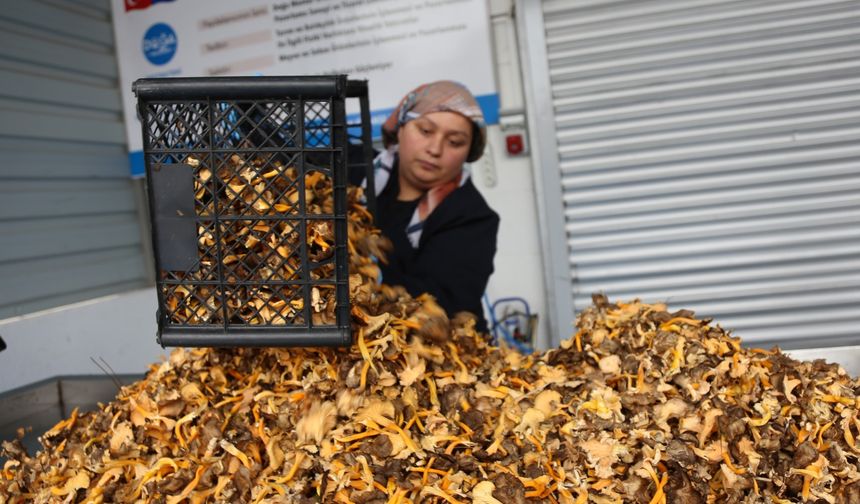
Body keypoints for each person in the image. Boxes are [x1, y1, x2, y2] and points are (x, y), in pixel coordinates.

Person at [351, 81, 499, 333]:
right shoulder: (354, 172)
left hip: (436, 352)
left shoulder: (471, 216)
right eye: (426, 131)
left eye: (454, 142)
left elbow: (440, 304)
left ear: (468, 151)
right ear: (400, 128)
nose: (435, 149)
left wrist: (356, 277)